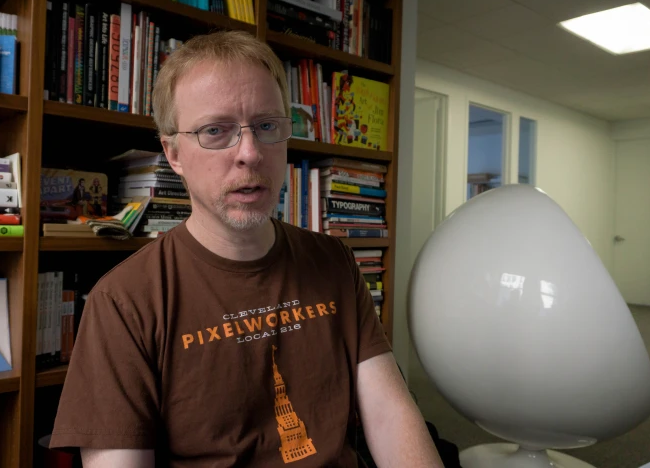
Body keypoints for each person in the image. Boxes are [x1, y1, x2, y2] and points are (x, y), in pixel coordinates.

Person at [49, 30, 443, 467]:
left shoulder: (334, 261)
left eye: (267, 125)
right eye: (216, 131)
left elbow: (390, 414)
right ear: (173, 153)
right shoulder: (123, 300)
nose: (250, 153)